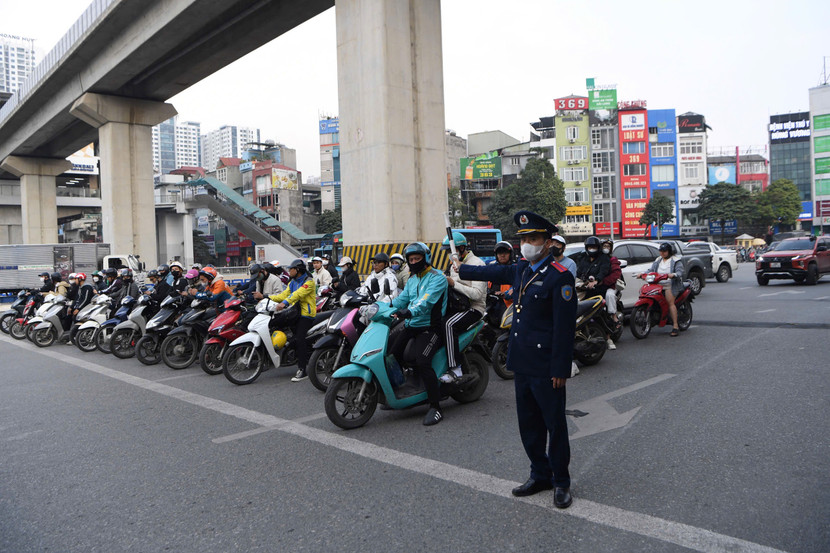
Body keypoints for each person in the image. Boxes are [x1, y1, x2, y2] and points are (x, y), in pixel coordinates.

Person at [457, 210, 577, 509]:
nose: (527, 244)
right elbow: (492, 272)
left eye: (533, 239)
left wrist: (561, 368)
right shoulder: (522, 269)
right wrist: (461, 269)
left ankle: (561, 481)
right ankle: (540, 474)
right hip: (522, 362)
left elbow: (564, 330)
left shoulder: (560, 278)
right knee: (529, 424)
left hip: (547, 366)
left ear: (548, 243)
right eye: (523, 239)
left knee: (554, 425)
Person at [389, 242, 448, 426]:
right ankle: (406, 388)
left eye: (417, 258)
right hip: (412, 325)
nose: (414, 262)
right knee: (392, 353)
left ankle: (435, 406)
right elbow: (402, 299)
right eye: (411, 259)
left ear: (426, 258)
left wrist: (409, 311)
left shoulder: (437, 278)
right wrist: (382, 306)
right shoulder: (412, 279)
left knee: (423, 361)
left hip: (430, 327)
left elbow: (426, 301)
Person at [440, 232, 486, 384]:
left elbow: (478, 295)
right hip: (457, 306)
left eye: (449, 251)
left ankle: (455, 369)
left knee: (448, 325)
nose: (448, 254)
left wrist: (453, 283)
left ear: (460, 248)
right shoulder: (453, 265)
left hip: (474, 308)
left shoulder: (477, 263)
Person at [269, 259, 317, 382]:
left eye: (291, 269)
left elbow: (297, 295)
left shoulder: (309, 282)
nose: (289, 271)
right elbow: (283, 295)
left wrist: (284, 303)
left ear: (298, 270)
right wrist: (266, 298)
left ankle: (303, 369)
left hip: (306, 315)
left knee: (300, 339)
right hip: (295, 313)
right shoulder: (293, 282)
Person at [642, 242, 685, 337]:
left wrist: (673, 275)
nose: (662, 253)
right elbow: (651, 270)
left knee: (670, 303)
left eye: (664, 251)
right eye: (661, 251)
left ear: (669, 251)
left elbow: (680, 271)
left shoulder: (676, 260)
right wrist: (642, 274)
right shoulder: (658, 260)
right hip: (657, 285)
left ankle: (675, 326)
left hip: (670, 285)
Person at [599, 238, 622, 350]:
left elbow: (616, 274)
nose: (606, 249)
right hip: (596, 287)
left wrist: (602, 281)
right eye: (604, 246)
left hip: (609, 287)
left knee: (609, 295)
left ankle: (613, 316)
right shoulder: (596, 259)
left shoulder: (613, 260)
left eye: (608, 247)